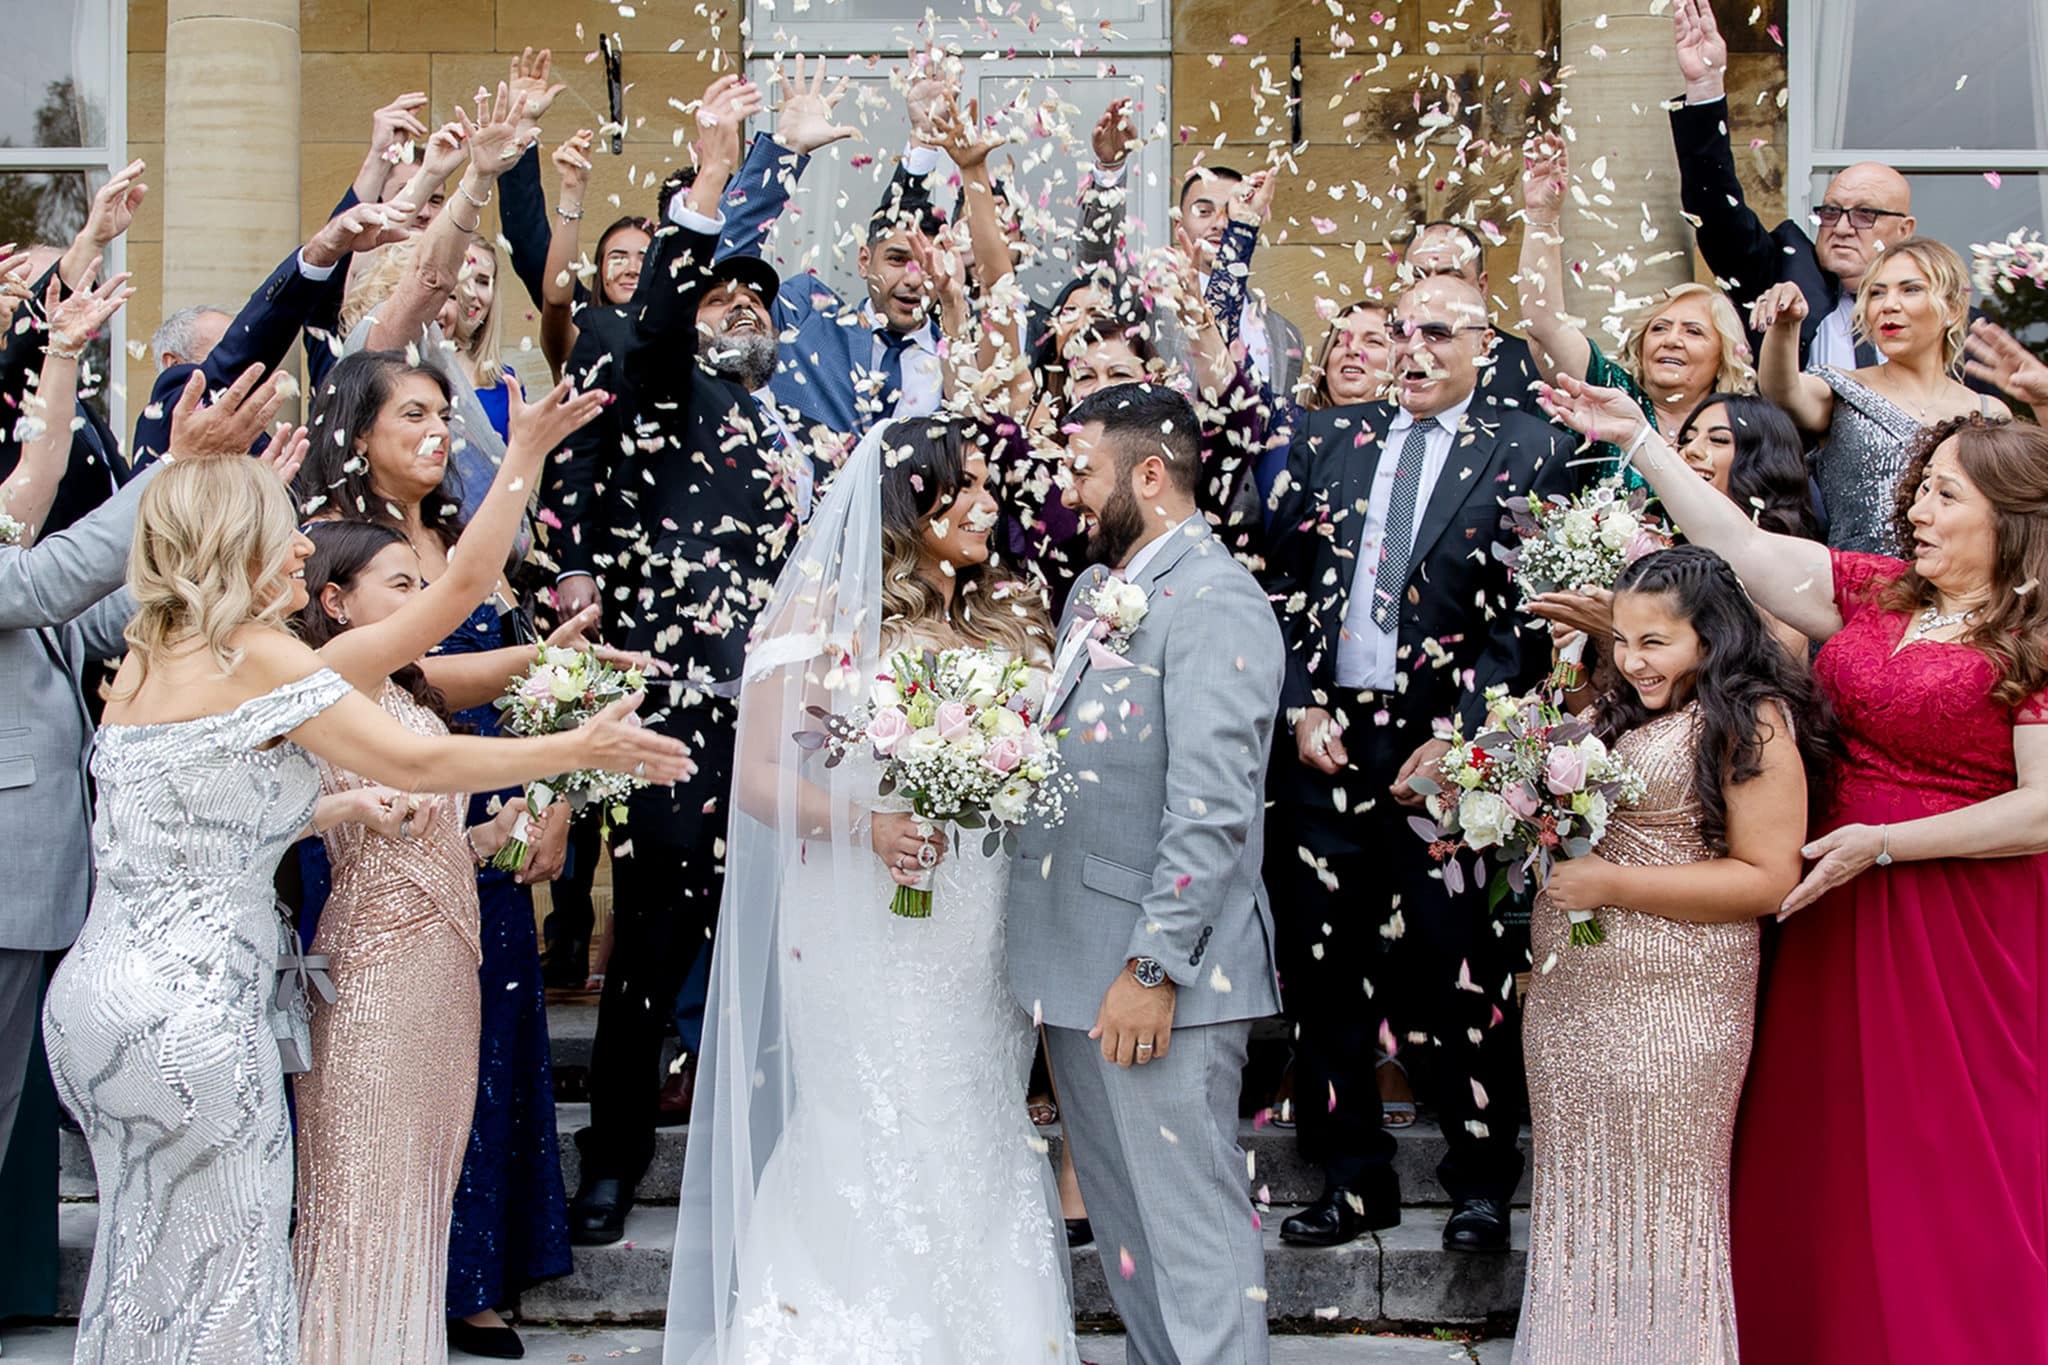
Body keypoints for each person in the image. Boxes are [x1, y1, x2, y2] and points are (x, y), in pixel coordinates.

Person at [38, 415, 686, 1364]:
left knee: (142, 1264)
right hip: (195, 1016)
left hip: (94, 1006)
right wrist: (576, 747)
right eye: (283, 526)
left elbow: (203, 803)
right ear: (236, 545)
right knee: (230, 1277)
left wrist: (341, 813)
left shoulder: (145, 660)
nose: (303, 542)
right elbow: (417, 756)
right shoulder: (255, 658)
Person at [1537, 373, 2048, 1364]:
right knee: (1820, 1146)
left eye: (1943, 492)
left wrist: (1889, 843)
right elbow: (1740, 551)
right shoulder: (1876, 589)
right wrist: (1638, 441)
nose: (1916, 507)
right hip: (1828, 901)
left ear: (2009, 515)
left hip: (1956, 918)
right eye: (1919, 488)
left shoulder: (2030, 634)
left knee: (1940, 1150)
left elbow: (2040, 808)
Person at [664, 412, 1074, 1363]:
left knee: (974, 1114)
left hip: (975, 914)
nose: (986, 502)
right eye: (962, 485)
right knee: (871, 1114)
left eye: (987, 485)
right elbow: (762, 779)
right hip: (856, 912)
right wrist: (871, 823)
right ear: (907, 498)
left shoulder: (1010, 609)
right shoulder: (827, 614)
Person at [287, 369, 601, 1362]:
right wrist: (522, 455)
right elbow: (315, 813)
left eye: (423, 590)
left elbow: (433, 817)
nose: (426, 607)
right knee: (359, 1202)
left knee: (419, 1198)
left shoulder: (410, 700)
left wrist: (495, 832)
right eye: (401, 590)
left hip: (443, 978)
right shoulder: (322, 690)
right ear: (332, 604)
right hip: (372, 978)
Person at [1260, 274, 1575, 1252]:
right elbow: (1279, 585)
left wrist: (1461, 733)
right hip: (1327, 740)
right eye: (1397, 330)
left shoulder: (1530, 449)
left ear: (1482, 346)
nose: (1411, 348)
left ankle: (1479, 1182)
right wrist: (1300, 701)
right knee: (1325, 971)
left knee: (1453, 966)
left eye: (1435, 331)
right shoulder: (1328, 442)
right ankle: (1349, 1182)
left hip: (1449, 743)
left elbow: (1527, 614)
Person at [563, 76, 822, 1250]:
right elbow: (660, 321)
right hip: (677, 717)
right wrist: (723, 182)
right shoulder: (648, 379)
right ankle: (612, 1158)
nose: (739, 316)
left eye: (754, 306)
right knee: (654, 938)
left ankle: (771, 1158)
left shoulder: (794, 429)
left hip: (786, 722)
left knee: (779, 953)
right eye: (722, 298)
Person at [999, 382, 1283, 1365]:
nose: (1069, 492)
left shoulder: (1216, 605)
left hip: (1156, 983)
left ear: (1148, 475)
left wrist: (1151, 969)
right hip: (1076, 967)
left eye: (1083, 471)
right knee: (1128, 1246)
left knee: (1191, 1241)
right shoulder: (1096, 592)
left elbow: (1210, 813)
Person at [0, 362, 283, 1333]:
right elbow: (44, 581)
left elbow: (114, 617)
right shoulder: (15, 566)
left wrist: (231, 531)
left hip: (49, 889)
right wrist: (176, 466)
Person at [1513, 545, 1827, 1363]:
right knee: (1577, 1205)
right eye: (1622, 637)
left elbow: (1768, 878)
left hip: (1677, 1003)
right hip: (1574, 998)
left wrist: (1612, 881)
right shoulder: (1626, 704)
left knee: (1662, 1215)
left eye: (1655, 641)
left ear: (1712, 638)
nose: (1631, 657)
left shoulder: (1750, 718)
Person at [1664, 0, 2015, 405]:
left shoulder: (1951, 323)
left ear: (1905, 230)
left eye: (1866, 214)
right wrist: (1706, 87)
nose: (1842, 226)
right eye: (1831, 211)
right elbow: (1715, 212)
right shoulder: (1781, 272)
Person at [1751, 236, 2006, 555]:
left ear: (1953, 309)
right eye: (1876, 293)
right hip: (1861, 595)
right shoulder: (1839, 388)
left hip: (1959, 593)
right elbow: (1781, 391)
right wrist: (1787, 326)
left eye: (1910, 289)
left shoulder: (1987, 413)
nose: (1888, 305)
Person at [1519, 133, 1755, 476]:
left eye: (1693, 331)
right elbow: (1545, 325)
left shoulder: (1745, 426)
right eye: (1659, 328)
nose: (1670, 339)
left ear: (1725, 355)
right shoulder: (1613, 395)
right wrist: (1542, 215)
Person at [1530, 392, 1822, 661]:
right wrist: (1573, 654)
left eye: (1718, 440)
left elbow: (1776, 673)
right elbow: (1595, 701)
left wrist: (1624, 627)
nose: (1692, 451)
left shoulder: (1786, 566)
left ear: (1765, 461)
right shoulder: (1653, 555)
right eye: (1686, 440)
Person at [0, 162, 148, 536]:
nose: (71, 310)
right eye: (51, 295)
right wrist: (90, 242)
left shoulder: (79, 403)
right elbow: (27, 345)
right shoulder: (12, 388)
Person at [1180, 164, 1306, 400]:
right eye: (1204, 211)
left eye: (1230, 213)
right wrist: (1109, 171)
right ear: (1178, 224)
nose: (1219, 224)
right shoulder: (1152, 308)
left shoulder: (1287, 334)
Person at [1404, 219, 1542, 409]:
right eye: (1418, 276)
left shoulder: (1528, 366)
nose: (1431, 289)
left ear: (1481, 286)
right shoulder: (1377, 355)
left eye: (1449, 276)